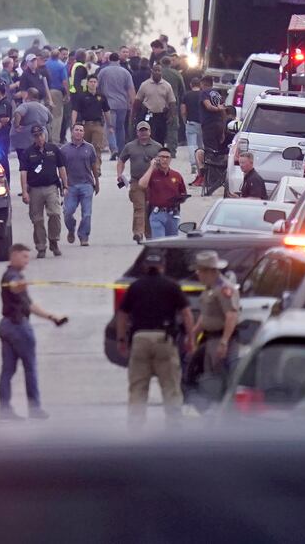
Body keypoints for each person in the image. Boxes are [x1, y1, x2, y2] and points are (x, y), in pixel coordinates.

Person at [115, 249, 194, 427]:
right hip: (164, 340)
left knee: (138, 389)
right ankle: (174, 427)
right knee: (171, 388)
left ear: (145, 267)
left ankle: (136, 429)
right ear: (162, 267)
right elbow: (187, 314)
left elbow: (122, 314)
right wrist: (191, 339)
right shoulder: (172, 286)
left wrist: (122, 340)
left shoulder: (135, 287)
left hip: (140, 339)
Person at [0, 243, 68, 420]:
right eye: (24, 256)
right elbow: (14, 287)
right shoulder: (12, 276)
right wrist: (21, 285)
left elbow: (29, 305)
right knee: (30, 368)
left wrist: (51, 316)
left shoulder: (13, 275)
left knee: (8, 370)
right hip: (17, 326)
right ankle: (34, 408)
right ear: (13, 256)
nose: (27, 261)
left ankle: (5, 411)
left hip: (7, 325)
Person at [192, 250, 240, 397]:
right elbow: (206, 315)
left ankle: (224, 408)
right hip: (210, 339)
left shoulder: (224, 288)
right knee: (210, 376)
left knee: (222, 376)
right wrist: (194, 333)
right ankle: (212, 406)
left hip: (221, 339)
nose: (197, 274)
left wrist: (224, 342)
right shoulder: (210, 289)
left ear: (209, 271)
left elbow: (231, 315)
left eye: (199, 271)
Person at [20, 124, 68, 258]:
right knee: (37, 219)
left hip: (51, 187)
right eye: (36, 136)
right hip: (34, 189)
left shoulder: (53, 149)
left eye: (41, 135)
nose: (39, 138)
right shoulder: (27, 153)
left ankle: (54, 241)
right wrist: (24, 191)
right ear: (33, 137)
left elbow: (62, 168)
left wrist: (65, 186)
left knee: (55, 214)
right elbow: (23, 172)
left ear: (44, 134)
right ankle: (41, 246)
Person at [117, 121, 162, 243]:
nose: (143, 133)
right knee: (139, 207)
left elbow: (165, 162)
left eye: (145, 130)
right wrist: (119, 174)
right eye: (141, 131)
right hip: (136, 182)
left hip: (153, 183)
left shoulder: (157, 146)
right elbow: (121, 160)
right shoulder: (130, 146)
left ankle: (149, 234)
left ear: (150, 131)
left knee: (150, 209)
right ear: (137, 132)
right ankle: (138, 233)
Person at [61, 124, 100, 246]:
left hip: (86, 185)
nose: (78, 132)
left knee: (87, 214)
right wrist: (63, 185)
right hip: (70, 186)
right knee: (68, 212)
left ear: (83, 133)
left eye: (81, 130)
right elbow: (61, 168)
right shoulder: (64, 149)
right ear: (72, 132)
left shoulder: (89, 148)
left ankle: (84, 236)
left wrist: (96, 182)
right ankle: (71, 229)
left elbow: (94, 166)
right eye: (76, 130)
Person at [138, 147, 188, 239]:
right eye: (162, 157)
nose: (164, 160)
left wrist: (180, 199)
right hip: (157, 214)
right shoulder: (152, 174)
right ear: (157, 159)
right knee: (160, 242)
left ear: (170, 159)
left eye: (167, 157)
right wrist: (151, 167)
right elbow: (141, 185)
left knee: (172, 244)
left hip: (173, 214)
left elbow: (183, 193)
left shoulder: (176, 175)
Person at [95, 52, 135, 159]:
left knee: (110, 126)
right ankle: (121, 149)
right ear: (118, 60)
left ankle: (113, 149)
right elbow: (131, 89)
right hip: (122, 104)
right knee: (120, 127)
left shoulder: (103, 72)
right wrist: (133, 103)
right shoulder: (125, 72)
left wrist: (97, 100)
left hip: (108, 104)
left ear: (109, 60)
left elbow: (97, 86)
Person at [134, 62, 176, 146]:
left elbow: (172, 101)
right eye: (155, 70)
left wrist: (171, 115)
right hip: (148, 115)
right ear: (151, 71)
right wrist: (134, 115)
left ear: (161, 72)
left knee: (161, 137)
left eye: (159, 70)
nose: (157, 72)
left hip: (161, 115)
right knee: (149, 136)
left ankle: (159, 155)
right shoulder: (145, 85)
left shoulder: (167, 85)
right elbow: (138, 100)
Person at [71, 74, 110, 156]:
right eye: (91, 82)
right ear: (87, 83)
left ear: (97, 83)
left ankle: (97, 168)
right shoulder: (82, 96)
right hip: (85, 125)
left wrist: (109, 124)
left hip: (97, 124)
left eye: (94, 82)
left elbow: (106, 111)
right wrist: (73, 124)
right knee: (84, 147)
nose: (93, 83)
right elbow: (75, 110)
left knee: (97, 147)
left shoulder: (101, 96)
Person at [11, 88, 53, 162]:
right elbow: (50, 119)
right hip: (42, 139)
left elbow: (18, 112)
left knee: (25, 162)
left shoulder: (26, 106)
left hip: (25, 141)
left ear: (28, 95)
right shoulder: (44, 108)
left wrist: (16, 125)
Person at [159, 56, 185, 156]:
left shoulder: (158, 73)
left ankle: (158, 148)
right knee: (172, 127)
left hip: (159, 103)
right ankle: (172, 150)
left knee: (158, 126)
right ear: (170, 63)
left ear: (161, 63)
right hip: (173, 104)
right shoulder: (176, 74)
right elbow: (182, 89)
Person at [181, 76, 205, 179]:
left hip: (191, 122)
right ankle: (202, 164)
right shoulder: (203, 95)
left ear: (191, 85)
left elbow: (183, 111)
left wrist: (184, 120)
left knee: (191, 144)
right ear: (200, 85)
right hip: (202, 123)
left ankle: (194, 165)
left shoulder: (186, 95)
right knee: (201, 145)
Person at [45, 49, 69, 143]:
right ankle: (55, 139)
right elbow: (64, 81)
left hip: (46, 91)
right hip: (57, 92)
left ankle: (47, 137)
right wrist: (67, 94)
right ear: (58, 55)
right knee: (57, 117)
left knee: (47, 116)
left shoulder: (46, 64)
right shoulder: (61, 66)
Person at [199, 75, 227, 154]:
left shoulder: (204, 92)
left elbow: (208, 106)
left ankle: (210, 165)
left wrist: (217, 108)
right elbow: (223, 112)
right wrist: (223, 130)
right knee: (217, 148)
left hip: (209, 125)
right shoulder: (217, 94)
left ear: (203, 84)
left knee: (209, 150)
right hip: (219, 124)